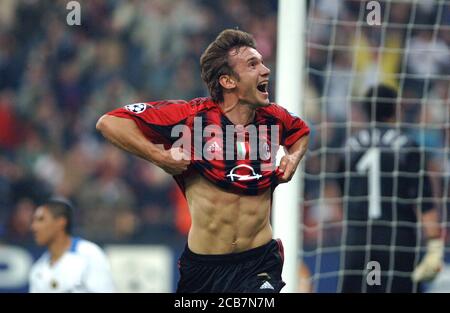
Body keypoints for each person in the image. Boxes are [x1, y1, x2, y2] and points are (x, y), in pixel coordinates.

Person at [96, 29, 310, 293]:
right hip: (204, 268)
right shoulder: (190, 119)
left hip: (259, 262)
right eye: (253, 64)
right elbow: (110, 122)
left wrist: (293, 156)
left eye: (262, 62)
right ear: (228, 80)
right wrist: (160, 157)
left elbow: (301, 132)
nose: (265, 70)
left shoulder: (274, 118)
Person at [337, 84, 444, 293]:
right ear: (395, 109)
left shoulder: (348, 148)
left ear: (367, 110)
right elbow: (424, 201)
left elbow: (342, 195)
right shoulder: (407, 147)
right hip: (398, 243)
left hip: (359, 243)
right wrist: (435, 246)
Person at [29, 198, 115, 293]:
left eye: (41, 220)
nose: (34, 227)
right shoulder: (38, 269)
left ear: (61, 222)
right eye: (33, 221)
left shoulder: (89, 254)